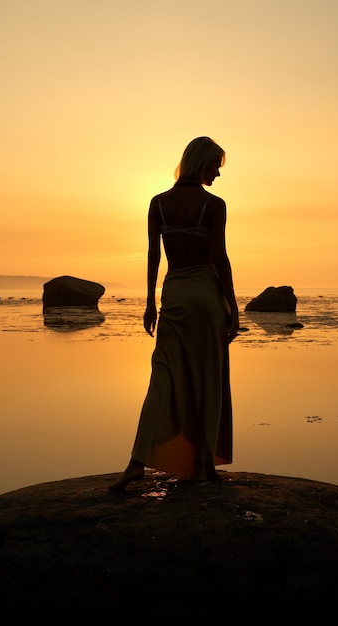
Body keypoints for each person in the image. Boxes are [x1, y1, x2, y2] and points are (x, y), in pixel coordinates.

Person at [108, 136, 239, 491]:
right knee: (207, 379)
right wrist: (234, 307)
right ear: (202, 163)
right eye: (216, 166)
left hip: (175, 296)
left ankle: (136, 463)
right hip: (208, 298)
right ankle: (203, 465)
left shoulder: (158, 203)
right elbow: (219, 258)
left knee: (162, 381)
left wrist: (150, 301)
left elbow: (154, 256)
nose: (218, 174)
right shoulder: (214, 204)